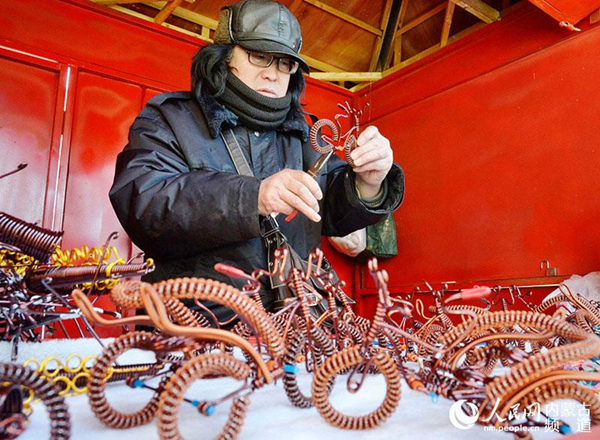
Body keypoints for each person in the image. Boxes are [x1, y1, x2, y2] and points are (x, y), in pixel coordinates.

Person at [109, 0, 405, 324]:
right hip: (199, 325)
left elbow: (332, 204)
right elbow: (143, 200)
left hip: (299, 325)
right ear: (224, 55)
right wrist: (253, 196)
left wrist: (369, 182)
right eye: (259, 55)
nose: (272, 73)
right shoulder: (169, 117)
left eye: (284, 63)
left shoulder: (303, 132)